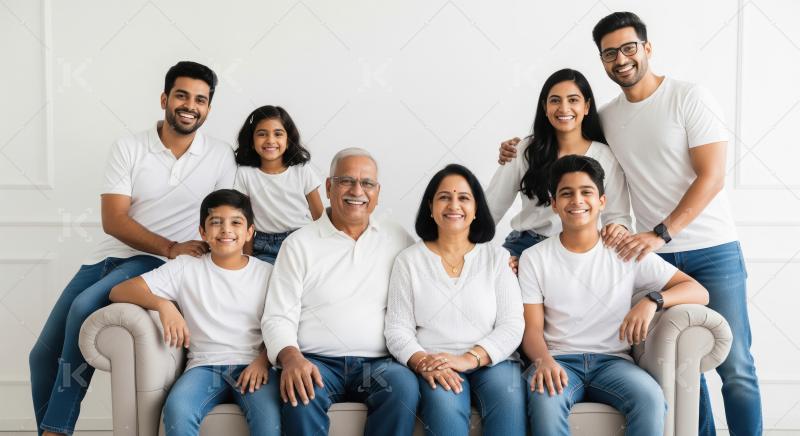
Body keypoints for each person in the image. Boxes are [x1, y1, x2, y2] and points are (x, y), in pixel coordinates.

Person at [498, 11, 762, 435]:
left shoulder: (688, 97)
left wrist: (660, 234)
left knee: (736, 366)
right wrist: (518, 147)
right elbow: (568, 135)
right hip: (645, 250)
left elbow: (712, 176)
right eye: (609, 53)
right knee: (682, 367)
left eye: (628, 48)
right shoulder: (608, 118)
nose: (620, 59)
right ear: (602, 60)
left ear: (647, 48)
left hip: (706, 247)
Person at [28, 61, 236, 436]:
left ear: (208, 108)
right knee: (41, 356)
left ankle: (55, 430)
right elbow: (114, 220)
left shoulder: (220, 155)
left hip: (153, 262)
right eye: (182, 96)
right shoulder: (129, 147)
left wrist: (184, 255)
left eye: (200, 100)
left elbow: (227, 216)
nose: (190, 106)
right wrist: (171, 245)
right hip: (107, 256)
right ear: (164, 99)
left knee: (83, 307)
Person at [519, 155, 709, 436]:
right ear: (554, 203)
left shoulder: (625, 250)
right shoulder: (534, 258)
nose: (577, 201)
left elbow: (698, 291)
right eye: (566, 193)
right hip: (559, 360)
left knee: (650, 399)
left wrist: (653, 300)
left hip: (613, 362)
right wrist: (543, 361)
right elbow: (532, 329)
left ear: (602, 202)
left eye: (586, 192)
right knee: (545, 402)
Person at [261, 148, 419, 436]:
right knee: (300, 392)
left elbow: (430, 278)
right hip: (315, 361)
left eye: (367, 183)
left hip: (378, 364)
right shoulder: (299, 244)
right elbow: (277, 316)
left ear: (377, 192)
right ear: (329, 187)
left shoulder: (398, 238)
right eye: (346, 181)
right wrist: (292, 358)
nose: (357, 191)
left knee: (403, 386)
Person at [109, 189, 280, 436]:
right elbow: (120, 290)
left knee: (270, 420)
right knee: (178, 410)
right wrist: (163, 305)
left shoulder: (267, 273)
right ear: (202, 232)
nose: (226, 230)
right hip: (204, 367)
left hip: (253, 365)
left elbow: (283, 323)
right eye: (216, 222)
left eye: (236, 223)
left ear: (249, 232)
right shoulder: (186, 267)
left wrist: (263, 362)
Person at [385, 163, 526, 436]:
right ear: (430, 206)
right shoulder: (409, 261)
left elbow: (512, 325)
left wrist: (470, 358)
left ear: (476, 208)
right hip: (435, 362)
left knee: (509, 402)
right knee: (445, 411)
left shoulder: (497, 258)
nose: (454, 205)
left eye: (463, 198)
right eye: (444, 197)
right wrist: (423, 362)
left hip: (493, 362)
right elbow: (397, 329)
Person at [486, 69, 631, 259]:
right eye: (555, 100)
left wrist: (617, 229)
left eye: (573, 100)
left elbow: (618, 216)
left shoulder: (605, 156)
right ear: (545, 107)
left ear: (586, 106)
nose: (564, 108)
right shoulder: (524, 150)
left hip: (579, 250)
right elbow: (491, 207)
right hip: (524, 247)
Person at [233, 105, 324, 264]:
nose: (270, 140)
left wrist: (325, 250)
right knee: (267, 278)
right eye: (262, 134)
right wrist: (247, 259)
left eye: (278, 134)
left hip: (302, 240)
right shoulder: (245, 174)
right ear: (252, 141)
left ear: (288, 141)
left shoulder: (301, 170)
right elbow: (246, 220)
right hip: (264, 246)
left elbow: (319, 216)